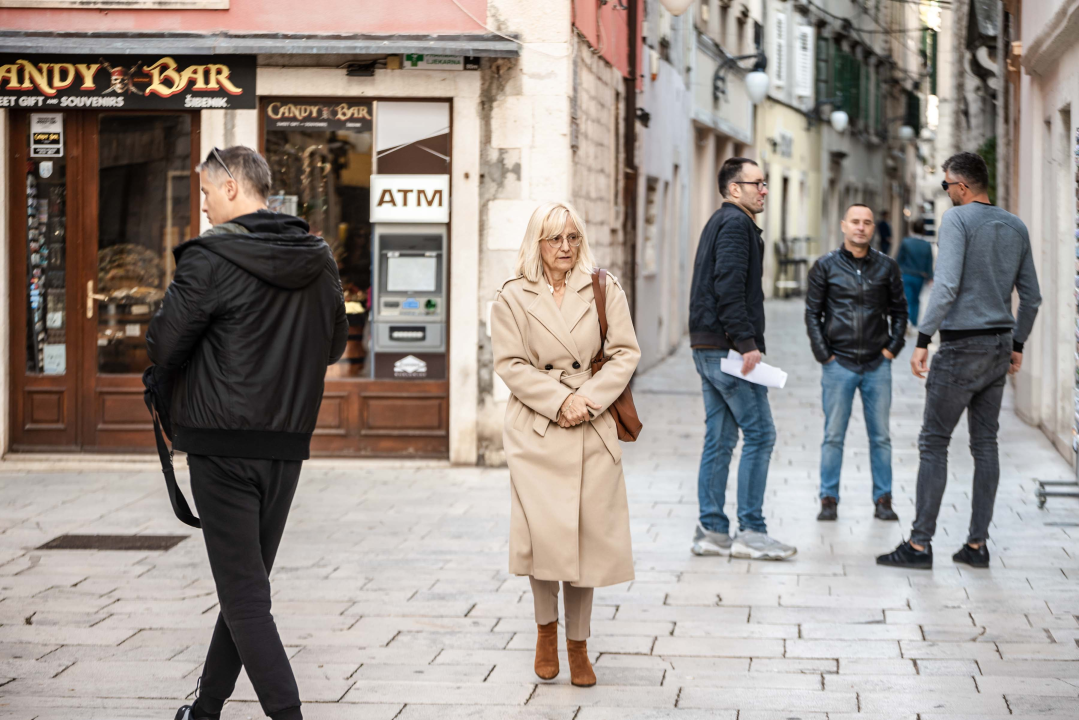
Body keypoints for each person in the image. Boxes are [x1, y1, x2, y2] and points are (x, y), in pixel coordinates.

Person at [148, 146, 347, 720]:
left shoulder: (209, 259)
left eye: (207, 193)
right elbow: (333, 346)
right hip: (285, 448)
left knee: (244, 597)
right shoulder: (318, 258)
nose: (204, 207)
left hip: (221, 444)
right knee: (246, 591)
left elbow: (163, 345)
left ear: (233, 187)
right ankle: (205, 710)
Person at [490, 201, 640, 687]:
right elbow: (511, 364)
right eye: (555, 238)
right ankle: (545, 633)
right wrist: (560, 402)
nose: (566, 247)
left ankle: (579, 645)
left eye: (573, 237)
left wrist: (587, 400)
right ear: (537, 242)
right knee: (545, 540)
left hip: (591, 427)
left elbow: (624, 354)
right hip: (537, 430)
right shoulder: (512, 297)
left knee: (587, 540)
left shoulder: (602, 286)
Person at [877, 152, 1041, 570]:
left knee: (934, 442)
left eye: (947, 185)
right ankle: (976, 546)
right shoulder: (1016, 226)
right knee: (985, 445)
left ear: (962, 187)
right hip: (999, 346)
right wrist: (1017, 343)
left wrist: (923, 338)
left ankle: (918, 546)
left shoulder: (957, 220)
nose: (946, 192)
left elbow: (946, 286)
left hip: (961, 347)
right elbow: (1032, 297)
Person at [687, 157, 796, 561]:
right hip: (728, 349)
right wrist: (747, 342)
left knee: (720, 438)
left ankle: (712, 532)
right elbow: (728, 286)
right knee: (761, 434)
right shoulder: (735, 225)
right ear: (735, 189)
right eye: (757, 184)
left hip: (707, 345)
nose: (764, 190)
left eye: (765, 183)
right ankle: (751, 531)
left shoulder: (722, 222)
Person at [805, 204, 908, 522]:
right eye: (855, 222)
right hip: (839, 364)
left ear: (873, 228)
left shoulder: (887, 267)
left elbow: (900, 312)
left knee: (881, 437)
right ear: (843, 226)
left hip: (878, 364)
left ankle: (883, 499)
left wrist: (892, 349)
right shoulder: (825, 266)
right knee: (833, 435)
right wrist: (825, 354)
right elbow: (812, 313)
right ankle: (829, 498)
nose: (861, 227)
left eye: (866, 223)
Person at [896, 218, 935, 328]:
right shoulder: (926, 245)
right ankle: (913, 323)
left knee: (908, 298)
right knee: (916, 300)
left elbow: (899, 259)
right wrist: (930, 277)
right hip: (920, 277)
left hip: (906, 275)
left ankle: (907, 322)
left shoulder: (906, 242)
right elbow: (929, 262)